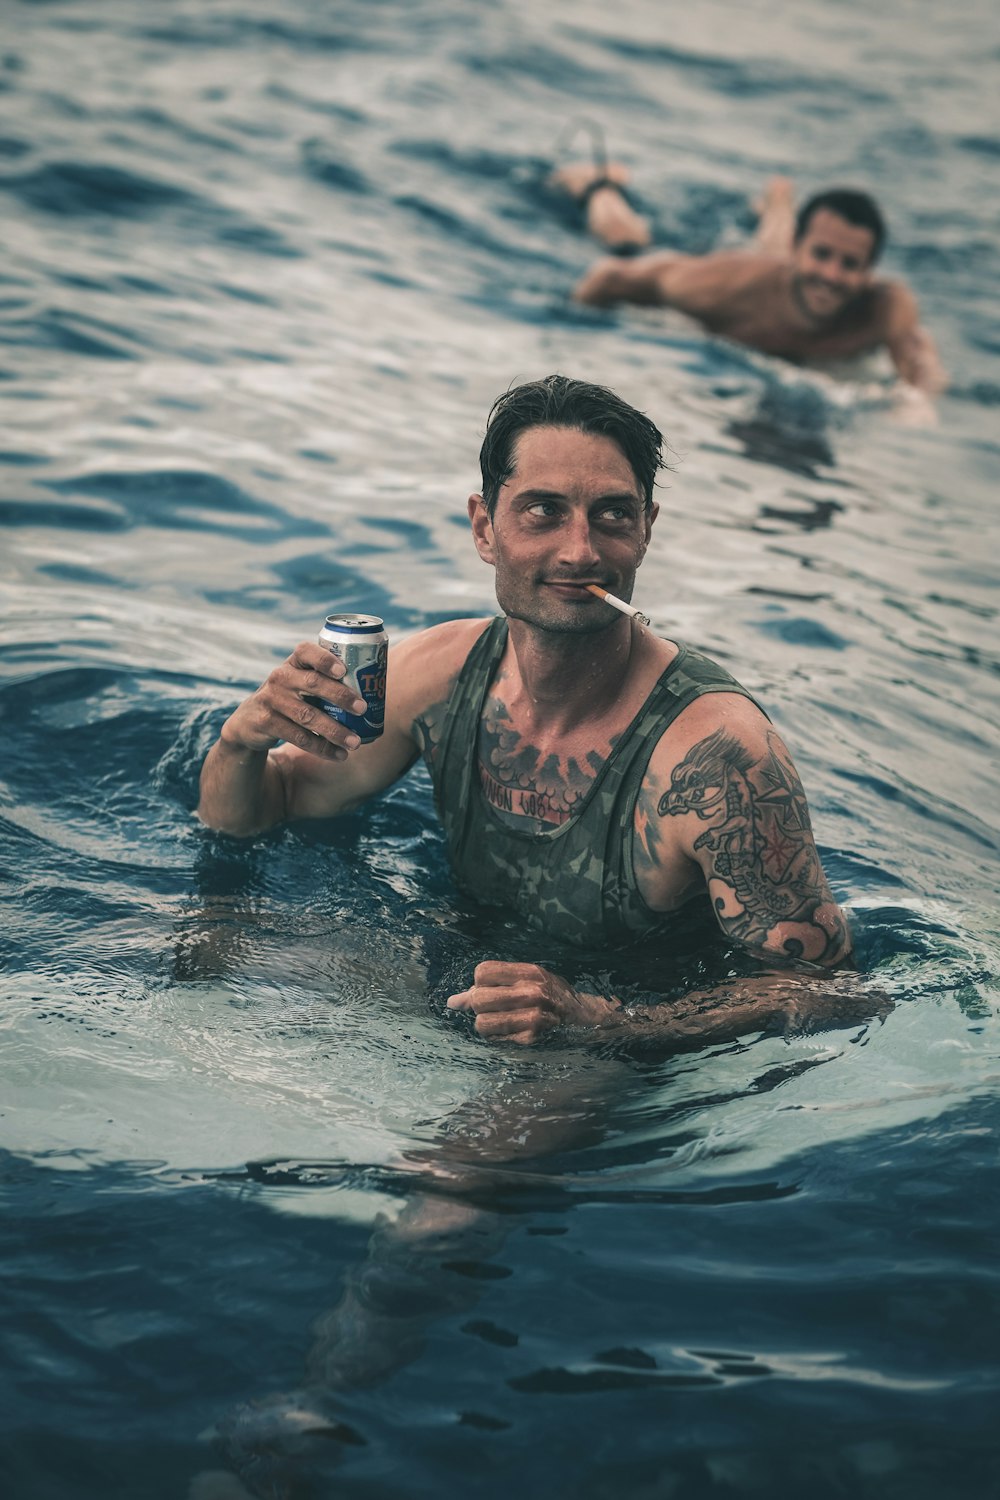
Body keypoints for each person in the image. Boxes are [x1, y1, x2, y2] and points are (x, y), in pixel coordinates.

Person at [197, 375, 865, 1048]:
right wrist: (240, 743)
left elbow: (830, 991)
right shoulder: (438, 675)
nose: (580, 551)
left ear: (646, 530)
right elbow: (264, 811)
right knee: (197, 956)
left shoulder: (718, 758)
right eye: (543, 511)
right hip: (465, 971)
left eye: (612, 514)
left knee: (464, 1156)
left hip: (615, 1038)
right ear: (485, 527)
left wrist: (604, 1024)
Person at [557, 165, 946, 402]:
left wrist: (918, 400)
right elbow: (608, 277)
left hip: (780, 268)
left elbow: (920, 358)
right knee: (628, 243)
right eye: (822, 254)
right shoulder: (721, 287)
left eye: (850, 264)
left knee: (779, 251)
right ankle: (598, 185)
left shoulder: (884, 308)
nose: (831, 275)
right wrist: (579, 337)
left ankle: (778, 201)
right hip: (744, 273)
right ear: (799, 248)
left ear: (869, 272)